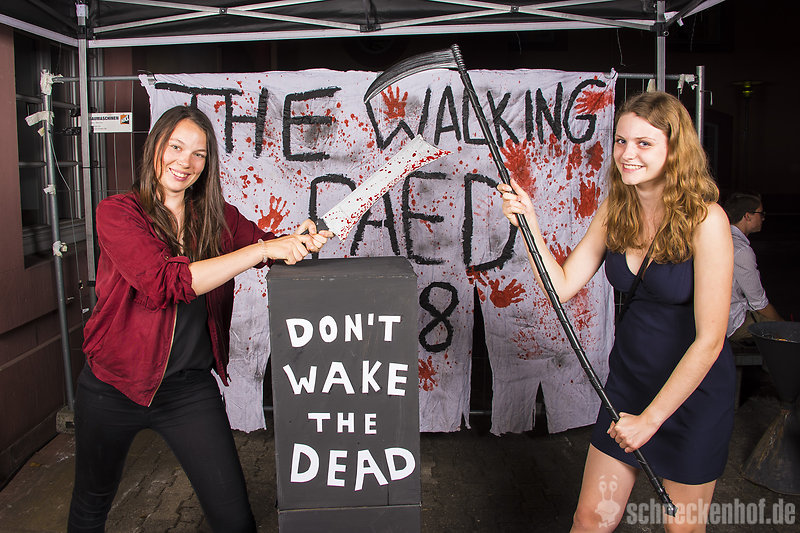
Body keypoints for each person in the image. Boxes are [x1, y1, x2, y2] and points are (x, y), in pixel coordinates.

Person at [67, 105, 330, 533]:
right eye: (175, 147)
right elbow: (162, 283)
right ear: (155, 147)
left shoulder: (216, 216)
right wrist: (263, 250)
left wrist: (298, 240)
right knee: (90, 505)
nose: (185, 162)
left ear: (207, 164)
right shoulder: (117, 212)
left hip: (187, 389)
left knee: (234, 518)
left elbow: (267, 245)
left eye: (199, 154)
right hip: (112, 385)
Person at [499, 91, 735, 532]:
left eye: (644, 143)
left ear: (675, 150)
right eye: (622, 141)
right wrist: (528, 224)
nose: (627, 154)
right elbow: (562, 286)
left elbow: (711, 341)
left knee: (681, 527)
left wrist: (651, 420)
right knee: (591, 519)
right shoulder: (616, 209)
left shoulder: (707, 221)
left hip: (691, 398)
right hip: (628, 386)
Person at [722, 192, 782, 344]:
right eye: (761, 214)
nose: (763, 218)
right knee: (784, 334)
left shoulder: (720, 237)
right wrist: (783, 324)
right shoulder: (741, 250)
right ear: (747, 216)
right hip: (730, 323)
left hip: (715, 317)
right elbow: (759, 304)